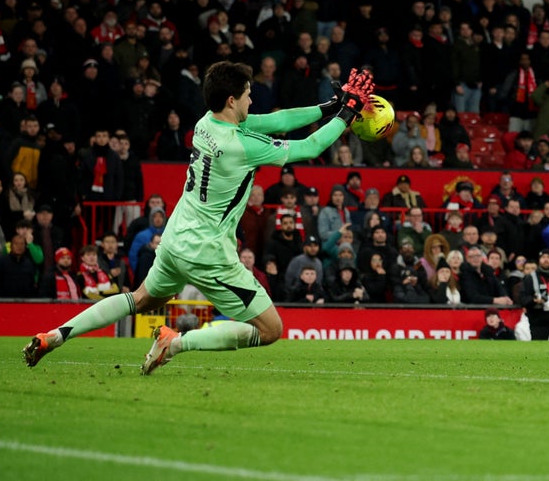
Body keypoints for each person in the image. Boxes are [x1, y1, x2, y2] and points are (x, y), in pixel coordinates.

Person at [23, 62, 376, 373]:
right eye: (249, 95)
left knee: (141, 298)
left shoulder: (206, 122)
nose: (252, 101)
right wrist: (346, 115)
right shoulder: (242, 146)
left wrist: (328, 107)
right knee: (270, 329)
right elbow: (312, 148)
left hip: (176, 238)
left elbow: (277, 120)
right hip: (208, 252)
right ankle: (174, 344)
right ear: (232, 101)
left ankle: (56, 334)